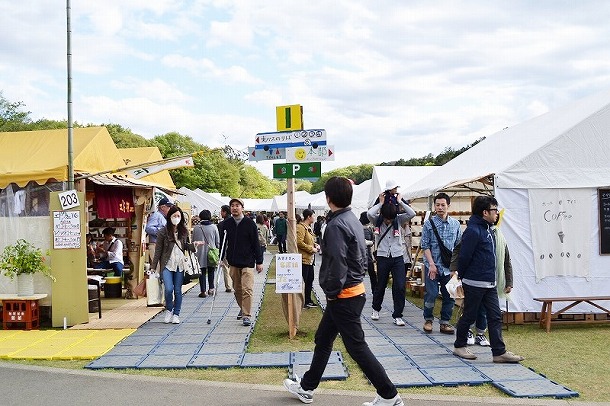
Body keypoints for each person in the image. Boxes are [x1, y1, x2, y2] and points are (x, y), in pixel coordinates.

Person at [284, 176, 403, 406]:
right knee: (323, 338)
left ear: (328, 199)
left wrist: (331, 290)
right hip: (352, 290)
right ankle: (307, 386)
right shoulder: (352, 220)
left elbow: (337, 262)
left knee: (356, 346)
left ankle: (389, 395)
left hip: (343, 294)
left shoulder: (336, 225)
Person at [453, 196, 524, 363]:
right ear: (485, 212)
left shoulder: (488, 229)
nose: (497, 213)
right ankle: (459, 346)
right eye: (494, 210)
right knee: (469, 315)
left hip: (489, 283)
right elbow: (464, 257)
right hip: (474, 282)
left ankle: (498, 352)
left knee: (494, 316)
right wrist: (462, 277)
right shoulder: (473, 231)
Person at [367, 196, 416, 326]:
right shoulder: (377, 219)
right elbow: (369, 213)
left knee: (400, 286)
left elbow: (412, 213)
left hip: (398, 256)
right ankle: (376, 309)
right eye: (386, 219)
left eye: (390, 219)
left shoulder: (399, 220)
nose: (388, 221)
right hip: (383, 256)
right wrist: (381, 203)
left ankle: (398, 315)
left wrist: (400, 201)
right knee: (381, 284)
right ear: (382, 215)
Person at [421, 192, 462, 334]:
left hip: (449, 268)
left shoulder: (456, 224)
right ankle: (428, 319)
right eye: (437, 205)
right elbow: (425, 245)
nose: (440, 208)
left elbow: (459, 247)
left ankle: (445, 322)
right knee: (431, 294)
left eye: (443, 205)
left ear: (448, 206)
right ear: (434, 206)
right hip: (432, 265)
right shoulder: (428, 224)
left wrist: (455, 268)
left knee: (450, 295)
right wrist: (431, 264)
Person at [151, 205, 195, 325]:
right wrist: (153, 267)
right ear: (169, 217)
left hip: (180, 265)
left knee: (177, 290)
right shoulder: (163, 232)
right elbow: (158, 251)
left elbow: (187, 246)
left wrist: (195, 245)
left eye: (178, 216)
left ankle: (176, 314)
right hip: (167, 265)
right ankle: (169, 310)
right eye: (174, 216)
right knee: (168, 289)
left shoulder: (184, 231)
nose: (176, 218)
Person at [224, 198, 264, 327]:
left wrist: (259, 261)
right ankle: (243, 307)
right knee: (237, 289)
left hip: (248, 261)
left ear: (242, 208)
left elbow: (255, 243)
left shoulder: (249, 223)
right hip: (233, 262)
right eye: (232, 206)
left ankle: (246, 315)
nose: (235, 208)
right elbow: (223, 242)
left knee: (247, 289)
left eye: (237, 205)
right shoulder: (227, 223)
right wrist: (222, 258)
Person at [193, 209, 220, 298]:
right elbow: (217, 241)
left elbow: (193, 241)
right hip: (211, 252)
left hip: (200, 252)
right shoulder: (214, 227)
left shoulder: (197, 227)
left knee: (202, 271)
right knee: (211, 270)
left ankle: (203, 291)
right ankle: (211, 288)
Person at [297, 209, 319, 308]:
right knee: (303, 281)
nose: (314, 218)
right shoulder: (301, 227)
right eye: (313, 216)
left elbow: (310, 240)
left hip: (310, 259)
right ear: (309, 217)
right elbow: (299, 242)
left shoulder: (308, 228)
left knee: (310, 280)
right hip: (303, 259)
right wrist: (311, 249)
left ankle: (308, 300)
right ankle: (302, 301)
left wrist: (315, 245)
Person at [145, 197, 173, 265]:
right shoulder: (156, 215)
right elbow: (148, 228)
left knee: (161, 268)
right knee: (158, 269)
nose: (170, 209)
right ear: (162, 207)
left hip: (161, 245)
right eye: (168, 207)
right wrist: (162, 231)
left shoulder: (163, 217)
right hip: (155, 245)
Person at [359, 211, 377, 295]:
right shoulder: (357, 227)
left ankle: (375, 290)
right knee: (360, 274)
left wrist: (369, 242)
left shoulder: (369, 229)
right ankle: (359, 291)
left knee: (372, 273)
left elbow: (373, 240)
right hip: (359, 255)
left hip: (368, 255)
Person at [217, 204, 233, 292]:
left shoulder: (221, 224)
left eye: (221, 211)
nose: (220, 213)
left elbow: (220, 238)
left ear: (225, 212)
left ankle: (228, 286)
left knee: (225, 267)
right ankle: (234, 284)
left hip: (225, 247)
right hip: (234, 248)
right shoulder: (235, 222)